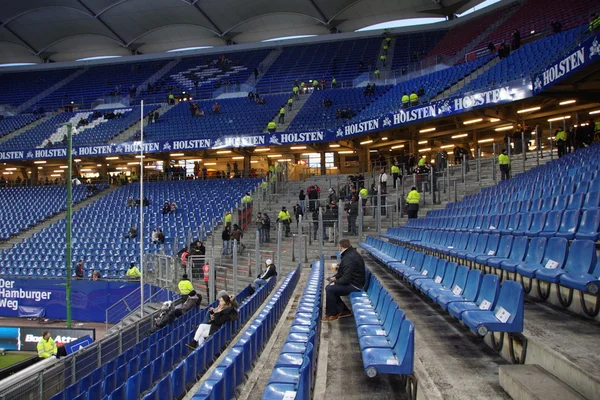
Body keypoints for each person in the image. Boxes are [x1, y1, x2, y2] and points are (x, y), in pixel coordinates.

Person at [324, 239, 366, 321]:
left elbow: (346, 278)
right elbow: (344, 271)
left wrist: (335, 282)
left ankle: (332, 314)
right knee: (330, 287)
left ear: (340, 246)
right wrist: (335, 278)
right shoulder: (349, 254)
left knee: (330, 289)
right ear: (350, 244)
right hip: (354, 282)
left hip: (355, 285)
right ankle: (344, 310)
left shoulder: (349, 257)